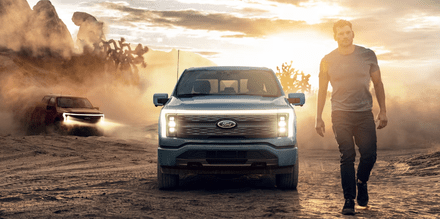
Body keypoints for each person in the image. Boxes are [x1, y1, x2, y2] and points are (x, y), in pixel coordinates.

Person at [315, 20, 388, 215]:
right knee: (347, 155)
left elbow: (378, 84)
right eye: (341, 34)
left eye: (348, 33)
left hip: (364, 113)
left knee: (369, 155)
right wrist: (318, 117)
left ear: (353, 34)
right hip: (340, 113)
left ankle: (361, 182)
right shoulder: (327, 60)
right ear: (335, 37)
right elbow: (322, 90)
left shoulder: (368, 55)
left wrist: (383, 111)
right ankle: (349, 200)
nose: (345, 36)